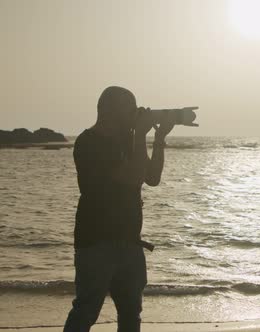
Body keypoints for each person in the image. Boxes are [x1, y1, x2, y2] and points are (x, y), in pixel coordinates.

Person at [64, 86, 175, 331]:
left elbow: (152, 177)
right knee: (86, 311)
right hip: (96, 241)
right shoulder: (89, 142)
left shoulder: (127, 138)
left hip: (130, 242)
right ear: (107, 111)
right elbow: (132, 177)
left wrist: (158, 139)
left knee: (131, 314)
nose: (134, 114)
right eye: (129, 109)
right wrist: (139, 136)